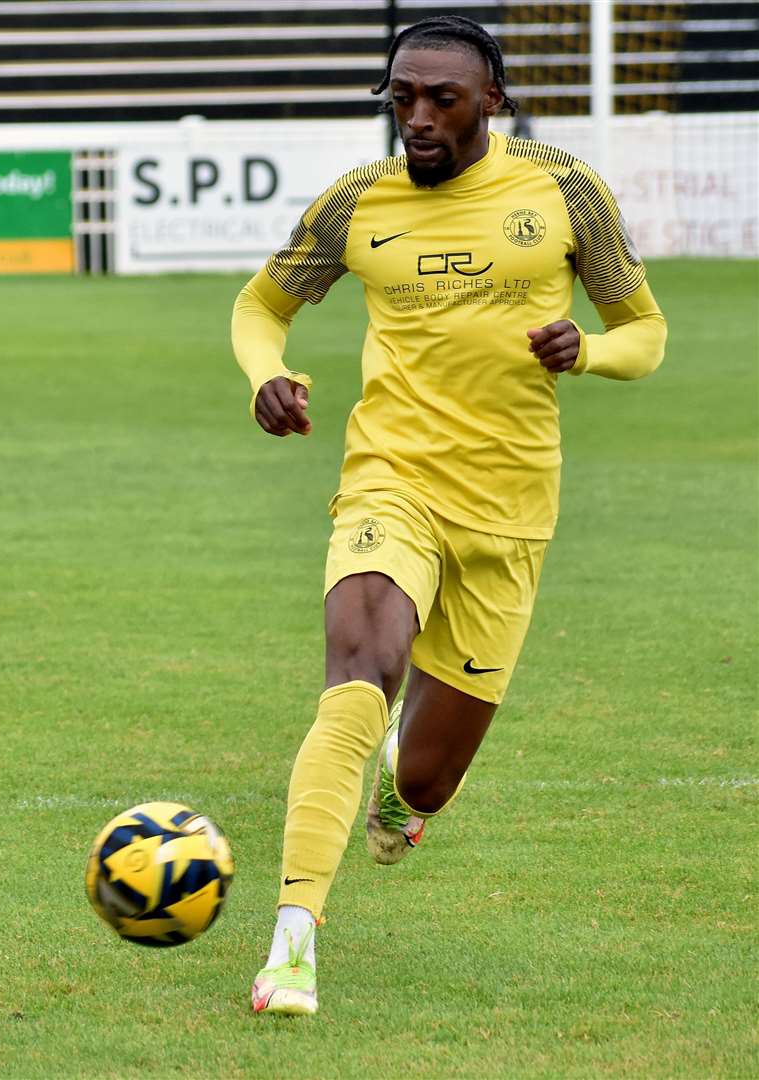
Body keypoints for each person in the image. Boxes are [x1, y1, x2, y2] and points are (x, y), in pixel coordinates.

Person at [232, 15, 666, 1017]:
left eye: (441, 100)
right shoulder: (357, 201)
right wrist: (266, 373)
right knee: (357, 677)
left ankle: (399, 797)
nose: (416, 119)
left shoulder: (562, 190)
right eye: (401, 98)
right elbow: (262, 306)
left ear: (493, 104)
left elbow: (643, 331)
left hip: (509, 513)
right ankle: (290, 942)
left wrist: (584, 351)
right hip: (391, 479)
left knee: (425, 781)